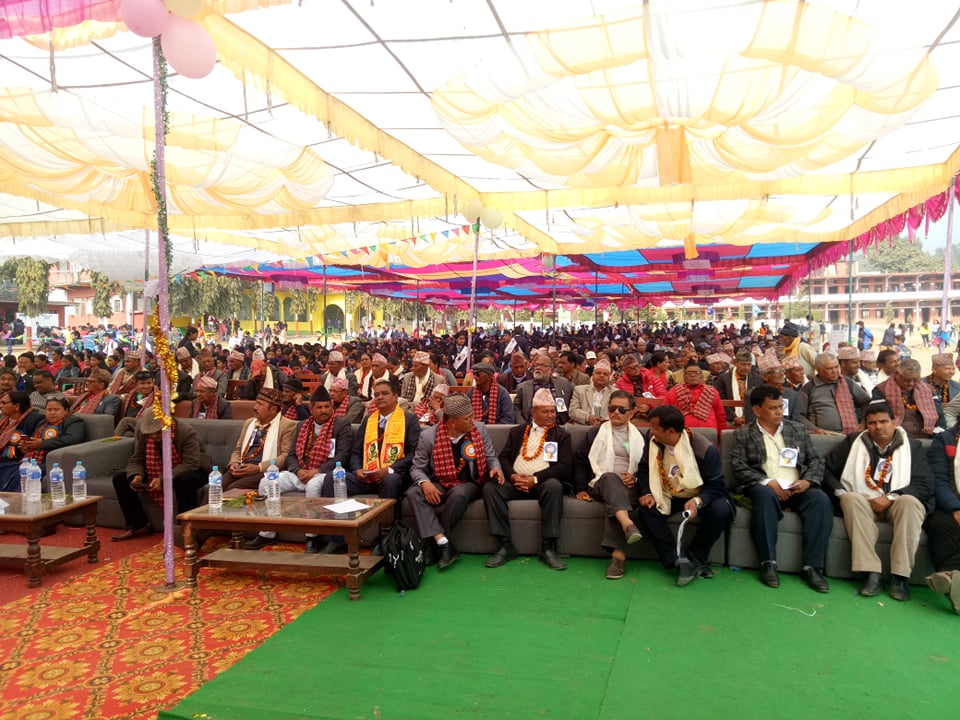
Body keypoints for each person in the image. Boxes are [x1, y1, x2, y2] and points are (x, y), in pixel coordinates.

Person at [822, 402, 933, 600]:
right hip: (863, 502)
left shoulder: (912, 447)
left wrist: (889, 497)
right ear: (865, 425)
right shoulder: (854, 441)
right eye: (872, 423)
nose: (878, 427)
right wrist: (841, 492)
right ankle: (871, 573)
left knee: (910, 502)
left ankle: (900, 577)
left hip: (896, 503)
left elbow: (925, 484)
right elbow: (825, 468)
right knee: (850, 498)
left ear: (894, 421)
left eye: (883, 421)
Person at [730, 385, 833, 592]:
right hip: (764, 486)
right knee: (764, 496)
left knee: (820, 500)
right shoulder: (744, 434)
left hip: (797, 486)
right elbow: (738, 466)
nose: (779, 412)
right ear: (757, 410)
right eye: (773, 408)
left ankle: (812, 567)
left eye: (780, 407)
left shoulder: (797, 430)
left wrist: (807, 481)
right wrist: (769, 482)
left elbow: (816, 460)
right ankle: (768, 562)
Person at [245, 387, 355, 551]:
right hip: (301, 472)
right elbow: (291, 455)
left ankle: (312, 537)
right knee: (267, 482)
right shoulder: (303, 425)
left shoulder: (341, 425)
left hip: (324, 473)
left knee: (313, 486)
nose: (324, 410)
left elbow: (342, 456)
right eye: (319, 407)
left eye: (327, 406)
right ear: (312, 410)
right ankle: (267, 534)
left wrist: (317, 471)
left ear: (332, 408)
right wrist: (297, 471)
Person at [634, 404, 733, 586]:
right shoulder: (652, 439)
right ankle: (677, 559)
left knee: (721, 509)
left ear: (671, 431)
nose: (651, 431)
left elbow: (716, 485)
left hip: (698, 493)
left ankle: (696, 557)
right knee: (646, 510)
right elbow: (643, 469)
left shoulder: (704, 449)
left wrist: (698, 501)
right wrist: (646, 492)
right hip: (667, 492)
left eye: (655, 428)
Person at [406, 394, 504, 570]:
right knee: (413, 493)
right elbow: (416, 468)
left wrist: (496, 468)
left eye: (472, 416)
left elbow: (491, 457)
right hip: (441, 482)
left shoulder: (479, 429)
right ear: (452, 422)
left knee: (459, 494)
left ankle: (432, 544)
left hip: (470, 482)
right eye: (467, 418)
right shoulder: (428, 436)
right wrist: (425, 483)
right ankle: (443, 543)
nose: (472, 421)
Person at [485, 387, 573, 570]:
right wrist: (512, 476)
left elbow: (565, 467)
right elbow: (504, 457)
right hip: (515, 482)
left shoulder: (562, 435)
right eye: (546, 412)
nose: (551, 415)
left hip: (542, 484)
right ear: (533, 412)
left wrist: (535, 479)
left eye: (553, 411)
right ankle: (505, 545)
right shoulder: (517, 431)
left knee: (554, 486)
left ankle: (548, 548)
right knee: (491, 488)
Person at [572, 390, 645, 579]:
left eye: (622, 409)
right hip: (599, 482)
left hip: (629, 487)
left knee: (618, 501)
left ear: (632, 413)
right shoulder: (596, 433)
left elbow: (646, 466)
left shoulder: (639, 437)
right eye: (612, 408)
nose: (616, 413)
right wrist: (580, 488)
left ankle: (618, 556)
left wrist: (635, 477)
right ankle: (627, 524)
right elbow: (580, 461)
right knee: (611, 478)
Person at [111, 414, 210, 541]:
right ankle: (138, 524)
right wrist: (137, 475)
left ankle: (185, 530)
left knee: (184, 481)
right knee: (120, 479)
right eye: (150, 434)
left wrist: (162, 479)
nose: (153, 436)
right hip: (157, 470)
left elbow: (191, 463)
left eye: (157, 433)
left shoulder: (185, 432)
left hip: (191, 469)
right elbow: (137, 459)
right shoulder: (143, 433)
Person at [346, 377, 420, 501]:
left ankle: (387, 514)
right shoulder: (368, 420)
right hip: (367, 477)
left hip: (395, 475)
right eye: (376, 395)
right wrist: (357, 470)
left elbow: (414, 453)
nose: (380, 397)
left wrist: (389, 469)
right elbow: (355, 452)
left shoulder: (409, 419)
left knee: (390, 480)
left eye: (385, 393)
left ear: (396, 397)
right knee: (333, 478)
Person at [221, 387, 298, 491]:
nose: (255, 407)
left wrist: (259, 468)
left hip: (264, 471)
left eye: (260, 404)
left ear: (273, 409)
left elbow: (285, 456)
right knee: (214, 486)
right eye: (256, 403)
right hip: (242, 467)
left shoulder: (287, 425)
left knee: (233, 489)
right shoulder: (249, 423)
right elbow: (238, 449)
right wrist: (234, 463)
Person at [923, 420, 960, 613]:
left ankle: (948, 575)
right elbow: (938, 480)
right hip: (947, 506)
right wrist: (955, 508)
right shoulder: (945, 440)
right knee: (940, 526)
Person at [796, 352, 871, 435]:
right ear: (818, 370)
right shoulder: (809, 388)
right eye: (829, 369)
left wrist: (863, 422)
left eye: (836, 367)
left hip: (852, 434)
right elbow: (798, 415)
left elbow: (867, 402)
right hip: (824, 435)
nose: (835, 371)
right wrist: (814, 429)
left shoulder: (847, 383)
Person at [872, 358, 944, 438]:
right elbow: (878, 417)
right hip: (896, 436)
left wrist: (938, 432)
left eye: (916, 380)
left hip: (928, 436)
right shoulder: (881, 390)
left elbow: (940, 415)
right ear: (897, 374)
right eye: (907, 380)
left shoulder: (928, 389)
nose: (911, 383)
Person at [663, 361, 727, 435]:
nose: (693, 375)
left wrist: (722, 436)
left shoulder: (712, 392)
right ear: (684, 377)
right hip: (682, 433)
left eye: (696, 373)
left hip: (709, 432)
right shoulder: (674, 391)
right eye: (689, 373)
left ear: (702, 377)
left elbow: (720, 416)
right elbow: (666, 414)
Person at [0, 391, 43, 491]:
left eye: (4, 403)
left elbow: (26, 447)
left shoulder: (33, 420)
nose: (1, 406)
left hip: (15, 461)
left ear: (16, 406)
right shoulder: (4, 420)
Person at [513, 355, 574, 425]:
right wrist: (523, 425)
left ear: (551, 370)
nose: (538, 368)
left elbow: (573, 402)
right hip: (531, 427)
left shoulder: (563, 384)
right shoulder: (523, 387)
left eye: (543, 366)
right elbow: (515, 408)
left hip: (559, 426)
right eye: (537, 365)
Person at [715, 349, 761, 427]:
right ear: (736, 363)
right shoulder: (724, 378)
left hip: (752, 418)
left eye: (749, 365)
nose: (746, 368)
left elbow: (759, 401)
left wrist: (748, 417)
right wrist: (733, 418)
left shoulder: (757, 378)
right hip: (729, 418)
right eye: (743, 364)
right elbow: (720, 400)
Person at [569, 359, 614, 425]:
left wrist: (604, 420)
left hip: (605, 427)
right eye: (598, 373)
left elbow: (617, 413)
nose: (602, 375)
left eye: (605, 374)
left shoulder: (615, 393)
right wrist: (588, 417)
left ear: (609, 378)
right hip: (583, 427)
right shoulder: (579, 390)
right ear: (592, 375)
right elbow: (572, 410)